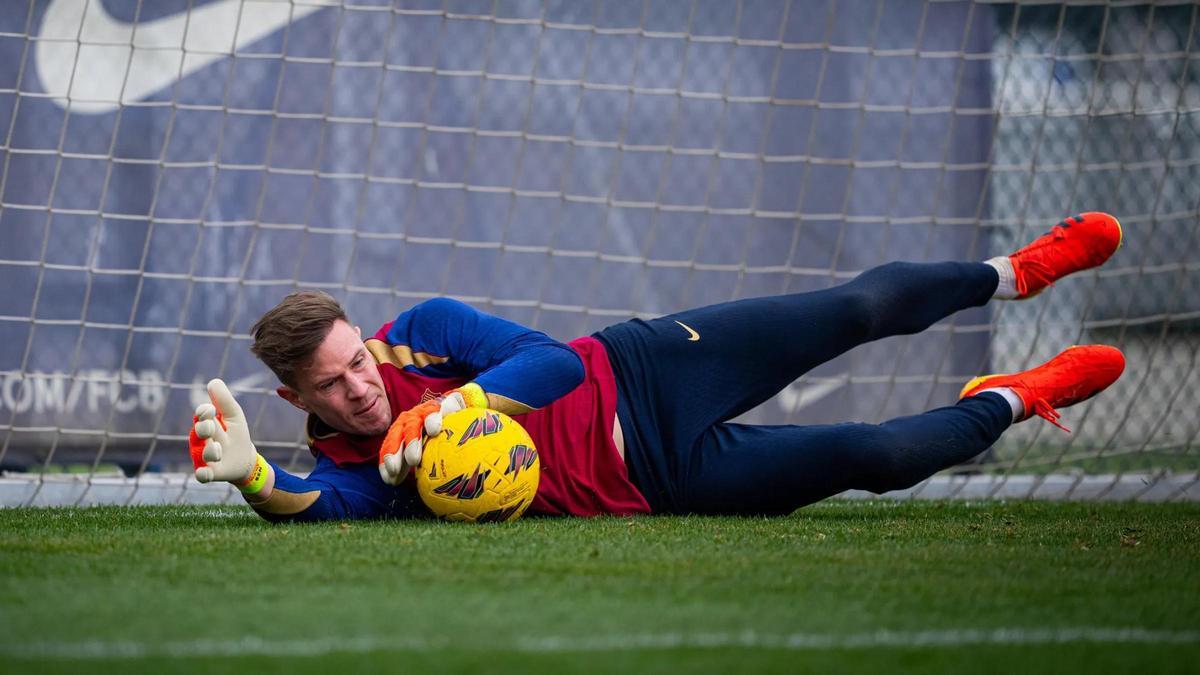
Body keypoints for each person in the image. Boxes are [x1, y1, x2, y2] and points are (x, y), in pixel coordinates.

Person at [189, 212, 1127, 522]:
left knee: (852, 310)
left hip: (646, 369)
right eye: (333, 386)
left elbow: (550, 363)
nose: (359, 387)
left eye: (355, 361)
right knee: (871, 458)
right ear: (295, 396)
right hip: (664, 480)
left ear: (363, 335)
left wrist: (453, 407)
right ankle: (1013, 397)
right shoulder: (361, 469)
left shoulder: (422, 330)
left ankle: (1015, 272)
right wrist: (256, 480)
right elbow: (320, 504)